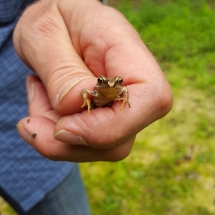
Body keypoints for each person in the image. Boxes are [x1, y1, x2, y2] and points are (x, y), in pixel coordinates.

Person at [0, 0, 173, 214]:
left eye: (117, 82)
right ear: (98, 82)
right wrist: (84, 99)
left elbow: (125, 92)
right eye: (103, 81)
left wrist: (65, 8)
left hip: (37, 149)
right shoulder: (93, 90)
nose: (111, 84)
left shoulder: (119, 90)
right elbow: (84, 92)